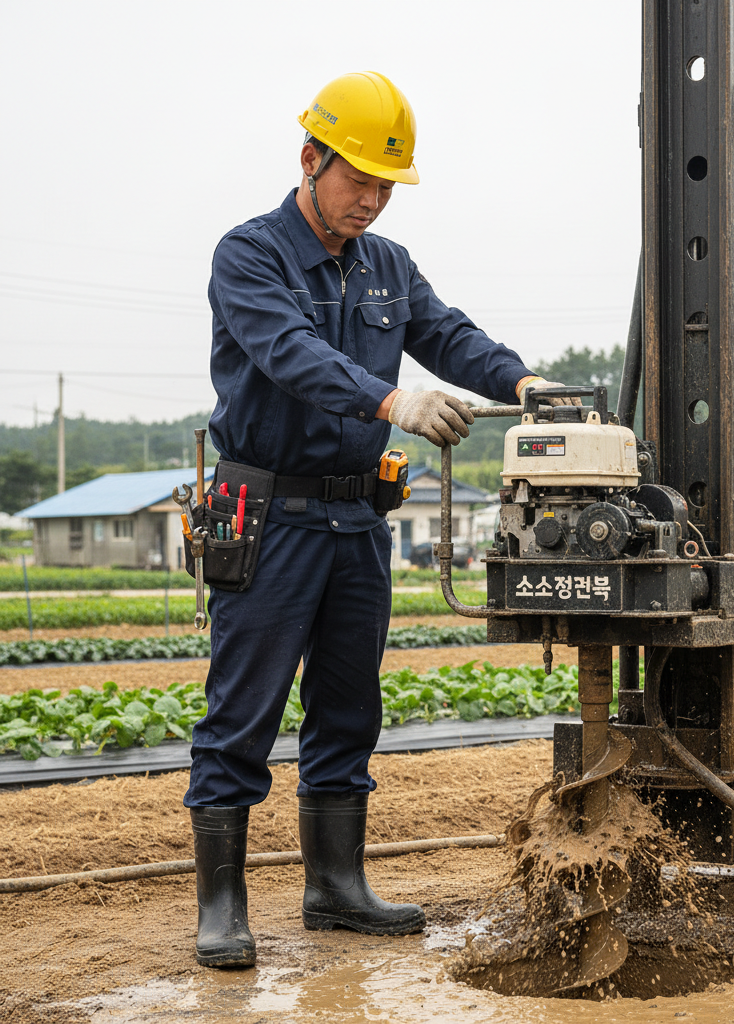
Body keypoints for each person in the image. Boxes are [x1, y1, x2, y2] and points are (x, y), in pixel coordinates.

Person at [184, 71, 571, 969]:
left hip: (357, 519)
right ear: (310, 158)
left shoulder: (388, 265)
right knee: (243, 711)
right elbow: (290, 354)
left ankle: (335, 887)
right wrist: (394, 403)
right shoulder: (249, 255)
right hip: (267, 512)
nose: (372, 198)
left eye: (386, 184)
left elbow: (449, 333)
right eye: (357, 177)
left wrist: (521, 383)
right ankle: (222, 905)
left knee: (350, 707)